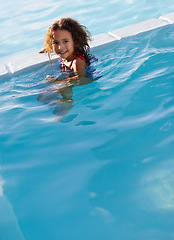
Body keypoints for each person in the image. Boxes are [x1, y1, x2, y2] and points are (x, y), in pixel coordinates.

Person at [38, 18, 98, 120]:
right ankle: (57, 103)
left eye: (65, 41)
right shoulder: (66, 55)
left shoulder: (77, 61)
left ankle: (67, 104)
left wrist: (58, 81)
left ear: (75, 41)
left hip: (87, 78)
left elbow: (81, 78)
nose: (60, 47)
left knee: (64, 87)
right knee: (42, 97)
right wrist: (47, 48)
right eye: (56, 42)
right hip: (72, 77)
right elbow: (58, 46)